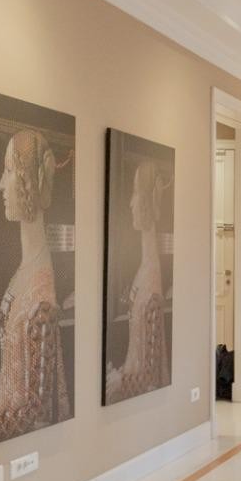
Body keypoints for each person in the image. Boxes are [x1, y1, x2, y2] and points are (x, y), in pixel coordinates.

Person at [0, 128, 71, 450]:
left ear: (27, 182)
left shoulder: (40, 295)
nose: (0, 184)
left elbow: (37, 412)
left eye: (8, 171)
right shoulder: (26, 271)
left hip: (21, 442)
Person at [105, 157, 170, 403]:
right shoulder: (145, 268)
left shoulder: (151, 277)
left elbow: (150, 373)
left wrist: (120, 380)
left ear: (147, 199)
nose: (131, 203)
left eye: (135, 192)